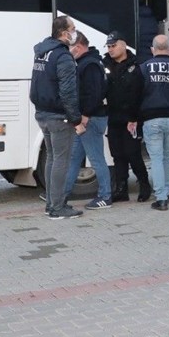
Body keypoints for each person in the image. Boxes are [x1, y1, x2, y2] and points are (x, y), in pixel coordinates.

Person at [30, 15, 83, 220]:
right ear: (64, 32)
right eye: (73, 28)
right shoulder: (63, 56)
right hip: (59, 116)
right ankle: (57, 207)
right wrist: (75, 118)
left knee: (52, 159)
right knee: (61, 160)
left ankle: (52, 204)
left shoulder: (43, 52)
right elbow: (68, 91)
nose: (75, 32)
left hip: (42, 112)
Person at [130, 34, 169, 211]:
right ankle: (167, 191)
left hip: (152, 119)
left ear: (152, 50)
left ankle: (160, 198)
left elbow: (136, 96)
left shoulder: (143, 68)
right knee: (168, 156)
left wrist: (134, 118)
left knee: (157, 158)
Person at [61, 32, 113, 210]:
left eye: (71, 47)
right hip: (89, 118)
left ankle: (105, 196)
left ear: (79, 46)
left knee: (96, 159)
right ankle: (62, 195)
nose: (69, 51)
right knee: (75, 158)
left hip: (90, 119)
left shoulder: (89, 65)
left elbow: (95, 93)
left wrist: (86, 115)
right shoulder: (89, 62)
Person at [103, 31, 152, 203]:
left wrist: (136, 117)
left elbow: (142, 93)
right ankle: (121, 189)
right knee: (117, 155)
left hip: (132, 118)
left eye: (113, 46)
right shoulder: (104, 64)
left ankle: (144, 184)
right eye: (108, 46)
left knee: (133, 153)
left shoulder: (137, 64)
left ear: (124, 45)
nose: (110, 49)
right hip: (114, 117)